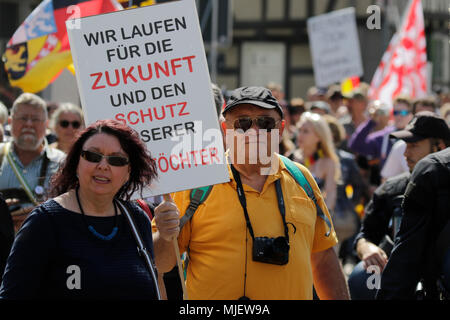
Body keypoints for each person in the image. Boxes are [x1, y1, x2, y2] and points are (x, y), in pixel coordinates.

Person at [156, 86, 349, 300]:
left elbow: (323, 259)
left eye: (266, 123)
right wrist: (164, 235)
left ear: (281, 129)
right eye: (243, 123)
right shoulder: (198, 182)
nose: (254, 132)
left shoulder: (301, 179)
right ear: (225, 129)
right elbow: (162, 264)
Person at [0, 119, 179, 299]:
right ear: (76, 162)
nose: (103, 165)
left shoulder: (137, 219)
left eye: (116, 160)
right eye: (93, 156)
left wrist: (166, 235)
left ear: (128, 172)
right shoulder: (45, 222)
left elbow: (156, 284)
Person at [348, 112, 450, 300]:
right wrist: (367, 248)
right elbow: (365, 235)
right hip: (398, 274)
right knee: (361, 278)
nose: (405, 153)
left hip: (438, 279)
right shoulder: (390, 189)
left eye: (413, 146)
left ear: (440, 146)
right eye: (405, 145)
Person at [377, 147, 450, 300]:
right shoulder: (433, 169)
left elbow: (407, 254)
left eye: (414, 145)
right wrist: (364, 244)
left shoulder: (433, 168)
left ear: (439, 143)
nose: (406, 153)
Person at [0, 93, 65, 233]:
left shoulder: (62, 163)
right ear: (10, 122)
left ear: (46, 124)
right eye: (23, 118)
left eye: (35, 119)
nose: (29, 124)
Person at [293, 112, 341, 213]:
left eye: (306, 131)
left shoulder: (328, 162)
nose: (300, 135)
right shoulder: (290, 157)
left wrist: (323, 220)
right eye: (300, 130)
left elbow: (330, 195)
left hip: (315, 218)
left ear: (319, 136)